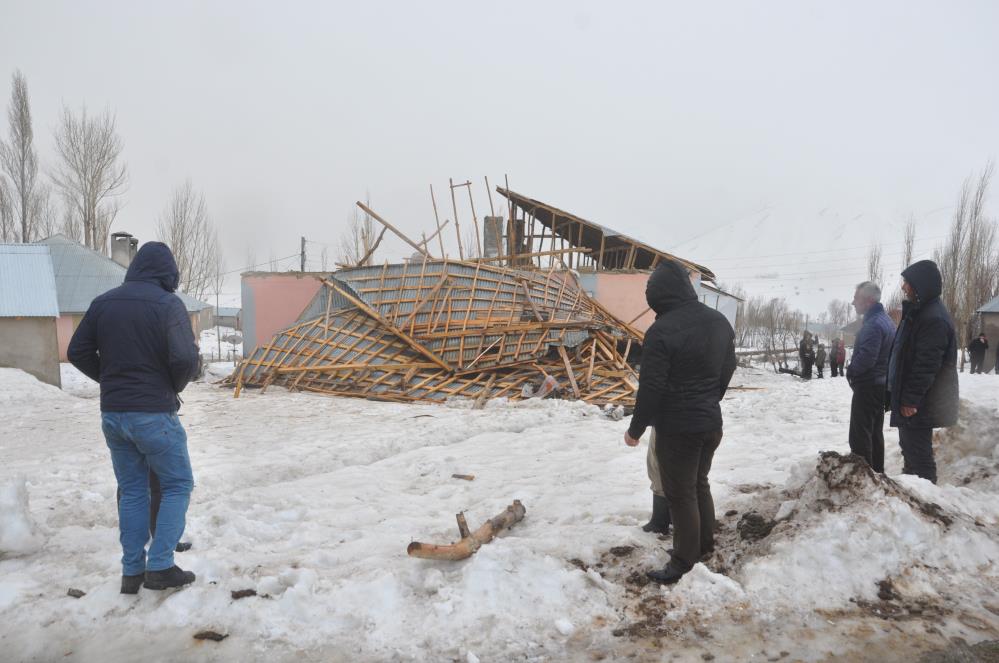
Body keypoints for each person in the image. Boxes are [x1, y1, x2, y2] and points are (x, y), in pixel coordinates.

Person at [68, 242, 201, 594]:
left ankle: (132, 572)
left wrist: (112, 380)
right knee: (177, 484)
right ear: (168, 273)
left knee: (132, 491)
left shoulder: (103, 303)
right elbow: (186, 358)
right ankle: (160, 566)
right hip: (153, 412)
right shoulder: (168, 305)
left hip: (113, 414)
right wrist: (170, 387)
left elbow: (76, 351)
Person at [623, 262, 737, 585]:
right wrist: (710, 396)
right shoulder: (719, 322)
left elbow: (652, 388)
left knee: (680, 493)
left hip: (679, 427)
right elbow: (729, 365)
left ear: (660, 295)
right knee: (699, 483)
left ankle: (683, 562)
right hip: (710, 422)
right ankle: (703, 544)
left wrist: (636, 430)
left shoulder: (661, 330)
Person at [887, 260, 959, 484]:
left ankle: (926, 500)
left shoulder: (933, 318)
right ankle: (914, 491)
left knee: (919, 456)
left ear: (921, 285)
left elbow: (926, 365)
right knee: (910, 451)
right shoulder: (920, 313)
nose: (903, 287)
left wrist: (910, 399)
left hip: (922, 402)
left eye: (907, 282)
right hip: (916, 400)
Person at [845, 282, 896, 473]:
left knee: (860, 436)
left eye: (856, 298)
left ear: (868, 301)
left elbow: (867, 359)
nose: (853, 302)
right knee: (874, 434)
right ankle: (877, 474)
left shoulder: (874, 324)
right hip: (880, 385)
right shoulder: (886, 321)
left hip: (868, 386)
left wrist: (851, 371)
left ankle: (864, 478)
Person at [641, 429, 671, 535]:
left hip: (667, 421)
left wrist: (634, 431)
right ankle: (673, 515)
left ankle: (660, 521)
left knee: (657, 466)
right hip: (703, 421)